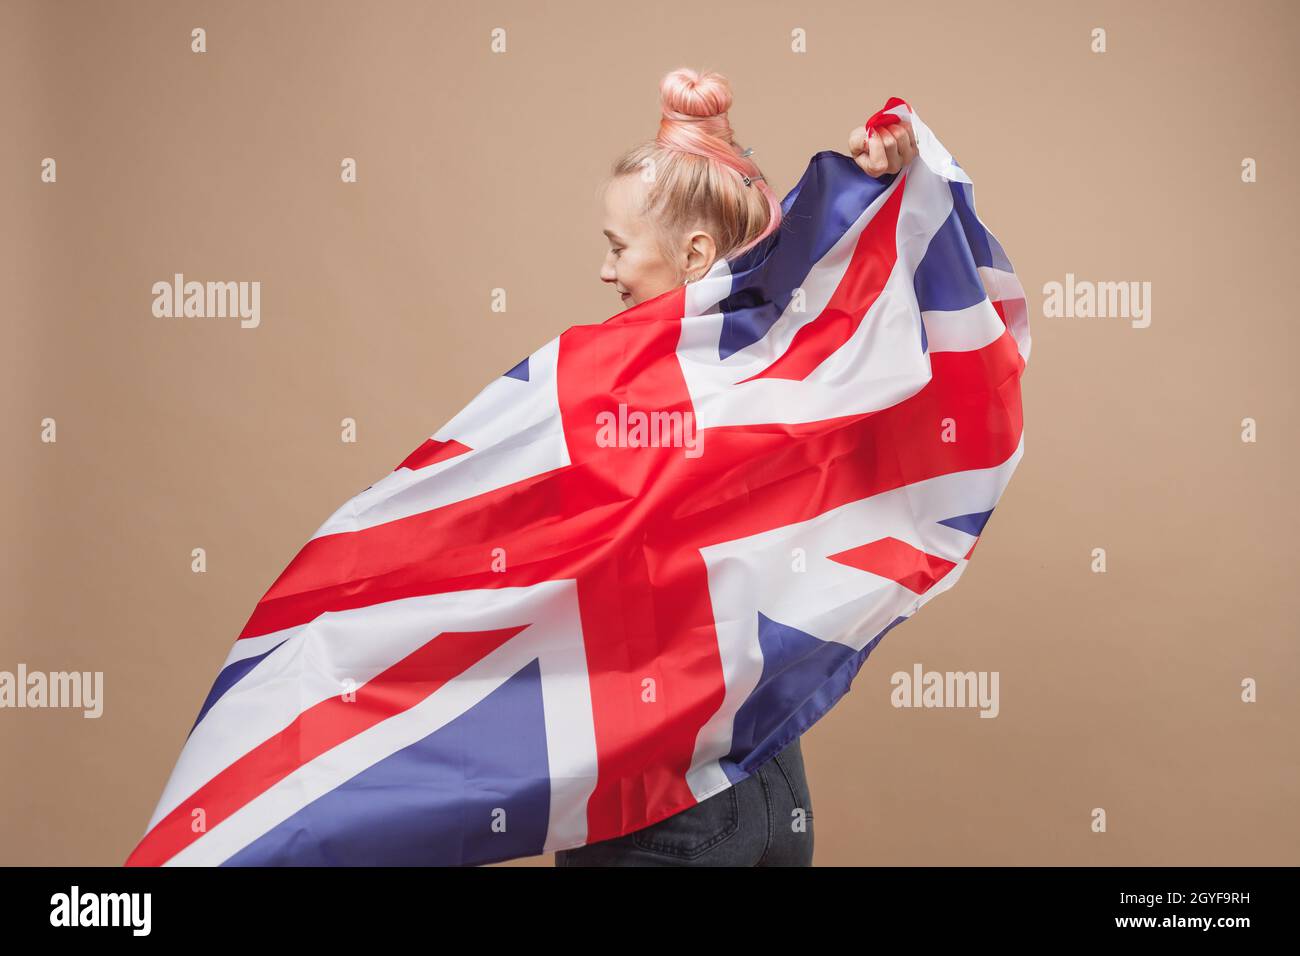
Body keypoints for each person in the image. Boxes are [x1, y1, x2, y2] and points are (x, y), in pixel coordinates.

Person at [554, 67, 917, 868]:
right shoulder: (785, 378)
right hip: (768, 780)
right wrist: (881, 191)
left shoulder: (626, 389)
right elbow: (870, 324)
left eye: (618, 249)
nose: (606, 272)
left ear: (692, 253)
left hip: (660, 796)